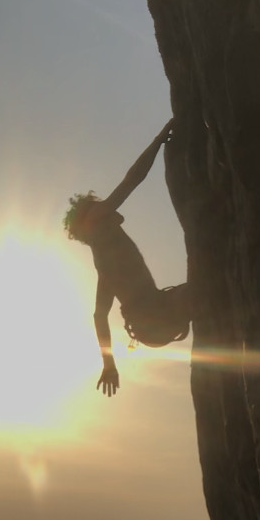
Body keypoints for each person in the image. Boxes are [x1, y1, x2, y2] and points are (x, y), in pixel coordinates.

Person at [63, 119, 190, 396]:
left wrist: (109, 365)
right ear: (90, 218)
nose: (110, 211)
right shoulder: (100, 230)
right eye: (98, 207)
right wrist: (157, 140)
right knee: (204, 290)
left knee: (203, 291)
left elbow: (100, 315)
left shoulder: (104, 258)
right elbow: (132, 180)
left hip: (150, 320)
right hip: (151, 318)